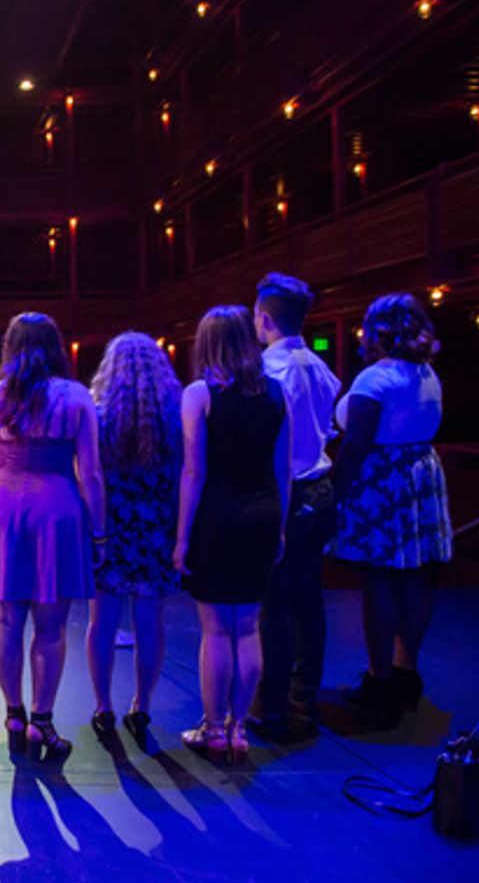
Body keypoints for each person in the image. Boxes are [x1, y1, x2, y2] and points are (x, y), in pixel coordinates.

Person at [0, 312, 106, 759]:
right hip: (58, 509)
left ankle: (13, 712)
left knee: (6, 618)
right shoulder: (77, 397)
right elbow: (92, 474)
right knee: (52, 624)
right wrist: (99, 533)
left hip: (3, 506)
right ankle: (42, 720)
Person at [173, 306, 289, 760]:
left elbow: (193, 473)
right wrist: (279, 527)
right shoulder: (278, 395)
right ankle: (239, 728)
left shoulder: (200, 394)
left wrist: (182, 539)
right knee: (248, 627)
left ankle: (212, 728)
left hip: (217, 516)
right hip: (262, 514)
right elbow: (283, 470)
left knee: (216, 631)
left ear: (207, 345)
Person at [333, 293, 451, 720]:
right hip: (421, 475)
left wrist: (335, 492)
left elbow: (356, 445)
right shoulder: (427, 375)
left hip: (383, 479)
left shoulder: (375, 379)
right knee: (417, 577)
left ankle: (378, 679)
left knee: (379, 579)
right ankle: (407, 672)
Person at [249, 274, 341, 742]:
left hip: (287, 494)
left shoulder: (269, 372)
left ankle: (271, 707)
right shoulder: (321, 368)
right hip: (321, 492)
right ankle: (305, 703)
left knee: (274, 607)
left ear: (263, 317)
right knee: (309, 603)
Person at [86, 332, 181, 743]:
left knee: (101, 623)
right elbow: (181, 477)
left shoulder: (99, 415)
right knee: (150, 624)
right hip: (155, 527)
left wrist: (96, 530)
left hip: (110, 528)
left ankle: (103, 706)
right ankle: (141, 705)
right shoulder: (174, 418)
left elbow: (90, 477)